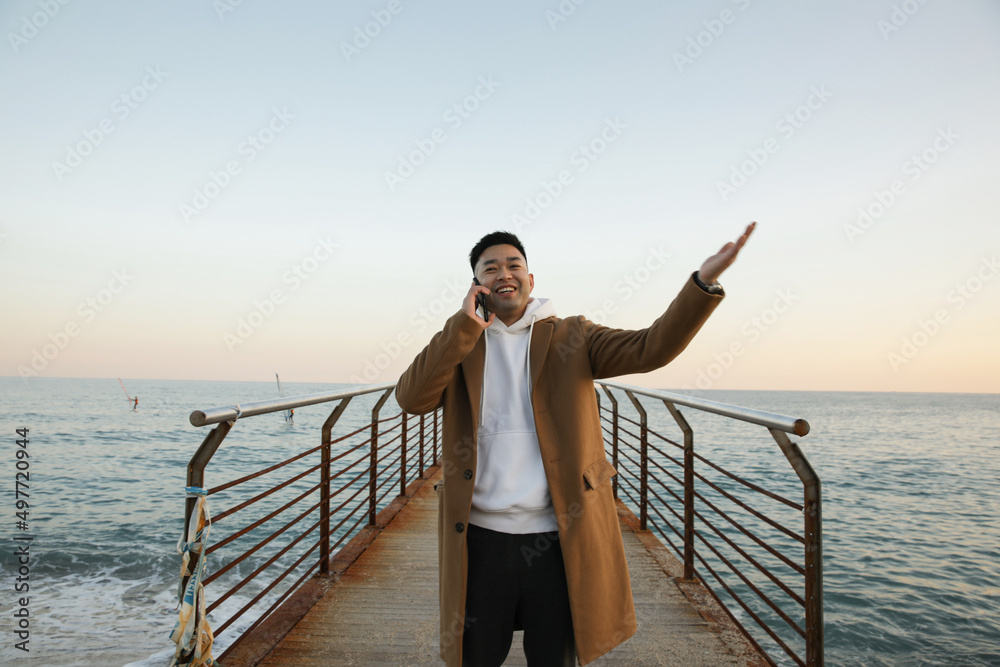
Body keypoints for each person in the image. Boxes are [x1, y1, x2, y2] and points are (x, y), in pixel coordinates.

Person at [395, 223, 755, 666]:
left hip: (559, 537)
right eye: (490, 268)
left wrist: (702, 283)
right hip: (481, 541)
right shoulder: (460, 343)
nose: (504, 273)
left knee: (556, 658)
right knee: (475, 656)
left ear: (531, 279)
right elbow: (412, 399)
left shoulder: (573, 335)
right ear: (476, 286)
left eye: (514, 265)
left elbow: (652, 348)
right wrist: (461, 328)